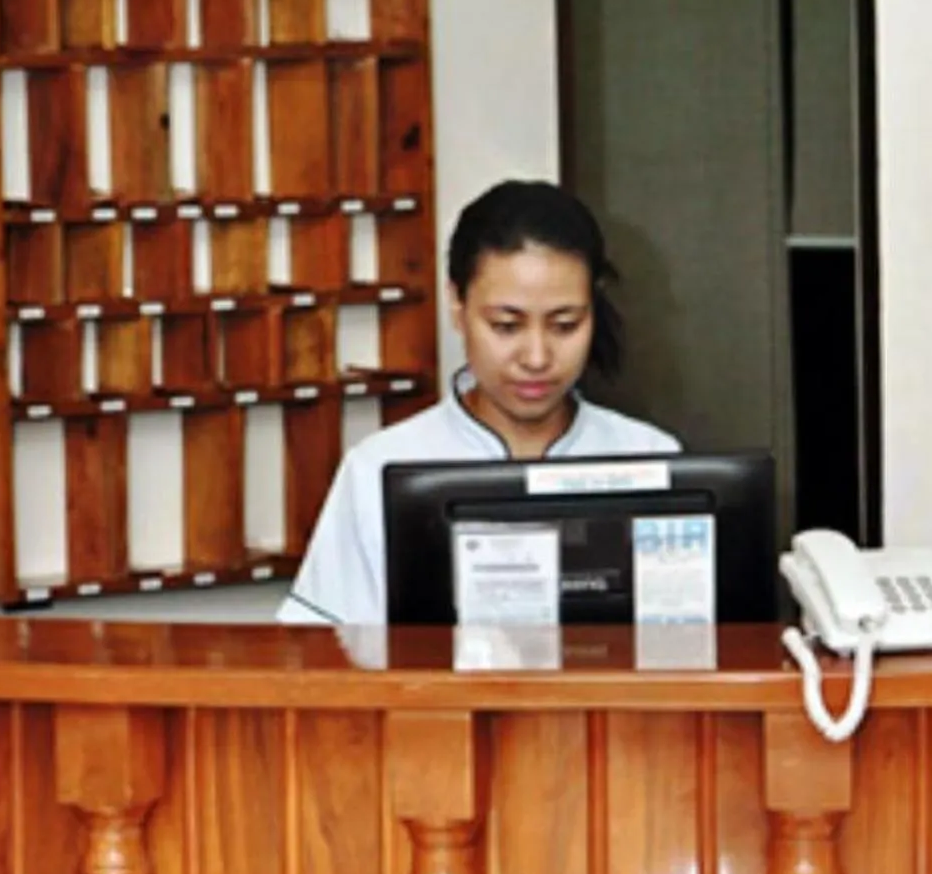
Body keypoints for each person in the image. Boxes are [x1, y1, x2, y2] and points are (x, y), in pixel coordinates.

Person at [280, 179, 678, 625]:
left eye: (565, 325)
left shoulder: (650, 458)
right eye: (506, 326)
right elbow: (323, 654)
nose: (537, 357)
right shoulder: (380, 467)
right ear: (457, 304)